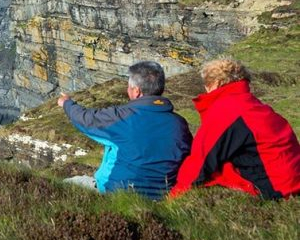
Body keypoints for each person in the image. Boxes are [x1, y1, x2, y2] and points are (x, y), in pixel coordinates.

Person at [58, 61, 192, 199]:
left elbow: (85, 119)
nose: (127, 90)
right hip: (163, 197)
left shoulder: (122, 117)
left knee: (65, 185)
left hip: (117, 194)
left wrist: (67, 103)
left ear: (137, 91)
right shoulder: (180, 124)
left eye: (129, 87)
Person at [169, 58, 300, 199]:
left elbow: (199, 163)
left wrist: (172, 199)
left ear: (215, 83)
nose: (205, 89)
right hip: (292, 181)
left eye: (207, 83)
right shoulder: (254, 105)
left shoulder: (227, 111)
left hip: (275, 190)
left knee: (218, 172)